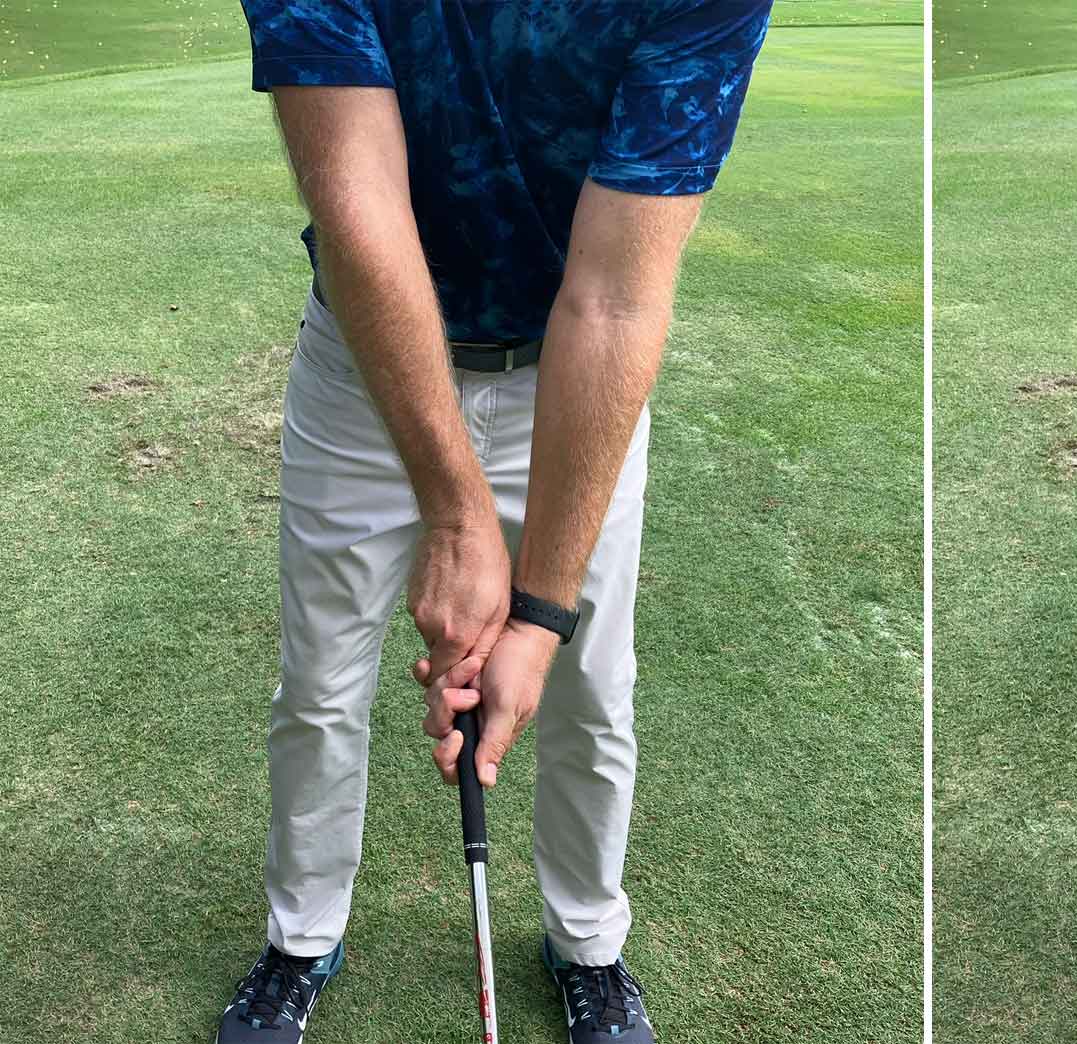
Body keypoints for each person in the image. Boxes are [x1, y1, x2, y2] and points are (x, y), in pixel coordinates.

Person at [217, 4, 773, 1043]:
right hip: (365, 367)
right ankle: (301, 937)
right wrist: (455, 512)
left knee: (591, 684)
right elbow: (361, 211)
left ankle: (587, 943)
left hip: (572, 376)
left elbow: (615, 299)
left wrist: (539, 614)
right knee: (320, 680)